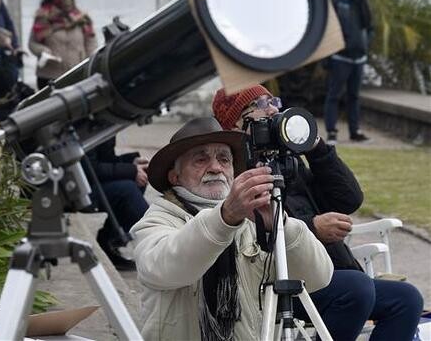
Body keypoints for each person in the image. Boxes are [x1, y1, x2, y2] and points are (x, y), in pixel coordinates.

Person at [213, 85, 424, 341]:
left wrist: (314, 146)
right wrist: (312, 229)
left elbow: (348, 199)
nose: (273, 109)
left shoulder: (286, 159)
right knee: (357, 290)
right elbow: (251, 236)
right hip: (278, 280)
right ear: (236, 123)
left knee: (406, 299)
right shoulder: (236, 172)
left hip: (332, 273)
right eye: (259, 105)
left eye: (273, 101)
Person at [130, 117, 333, 340]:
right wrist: (225, 218)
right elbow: (165, 267)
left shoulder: (251, 219)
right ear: (175, 177)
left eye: (224, 159)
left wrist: (280, 224)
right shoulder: (158, 219)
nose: (216, 168)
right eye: (200, 160)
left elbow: (318, 278)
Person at [324, 0, 373, 145]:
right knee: (334, 95)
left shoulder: (362, 3)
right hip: (341, 59)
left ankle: (355, 131)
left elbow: (369, 27)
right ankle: (331, 132)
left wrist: (366, 46)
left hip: (359, 58)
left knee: (354, 96)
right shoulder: (337, 4)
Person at [85, 136, 149, 271]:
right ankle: (159, 244)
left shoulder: (101, 122)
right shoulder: (85, 124)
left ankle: (108, 239)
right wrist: (130, 170)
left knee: (138, 180)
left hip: (90, 182)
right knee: (129, 191)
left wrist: (131, 162)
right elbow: (89, 168)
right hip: (78, 189)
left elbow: (105, 160)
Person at [29, 0, 97, 89]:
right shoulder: (43, 17)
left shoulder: (82, 18)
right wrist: (43, 51)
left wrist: (90, 65)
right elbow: (32, 43)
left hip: (77, 74)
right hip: (49, 76)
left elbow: (91, 44)